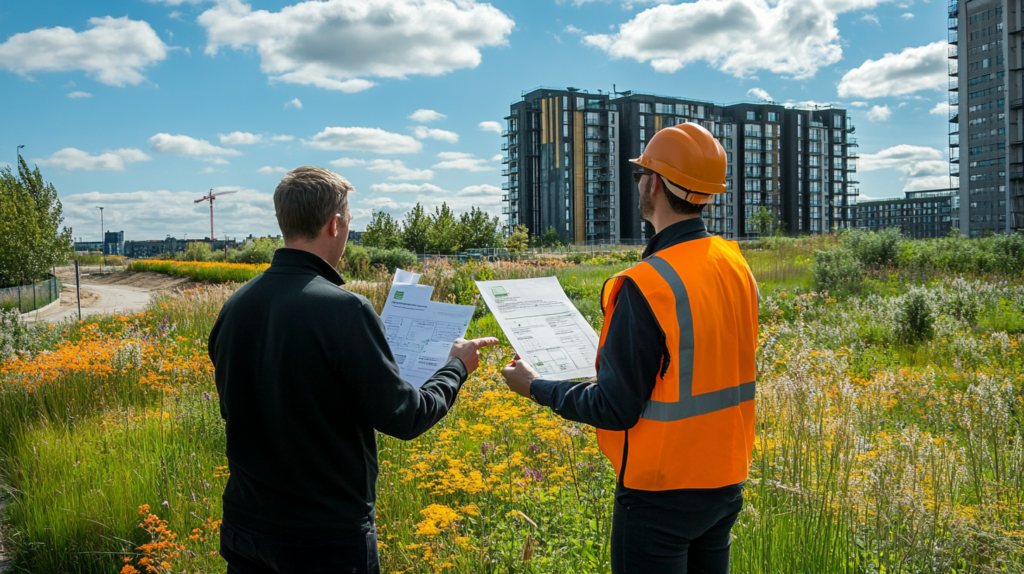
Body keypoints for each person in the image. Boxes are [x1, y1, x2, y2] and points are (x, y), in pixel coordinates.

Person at [208, 166, 498, 574]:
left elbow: (241, 407)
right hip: (323, 538)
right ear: (336, 224)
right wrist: (457, 367)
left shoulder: (236, 306)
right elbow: (408, 417)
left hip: (244, 526)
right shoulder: (346, 310)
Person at [501, 124, 759, 574]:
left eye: (642, 173)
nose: (640, 182)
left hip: (660, 494)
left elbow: (615, 408)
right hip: (725, 482)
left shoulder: (647, 284)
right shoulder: (734, 263)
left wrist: (536, 387)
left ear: (654, 183)